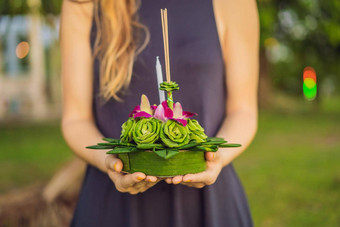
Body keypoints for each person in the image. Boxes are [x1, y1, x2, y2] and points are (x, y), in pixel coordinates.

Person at [61, 0, 259, 226]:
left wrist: (217, 156)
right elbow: (75, 119)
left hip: (209, 205)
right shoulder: (82, 4)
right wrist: (109, 159)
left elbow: (243, 111)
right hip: (112, 205)